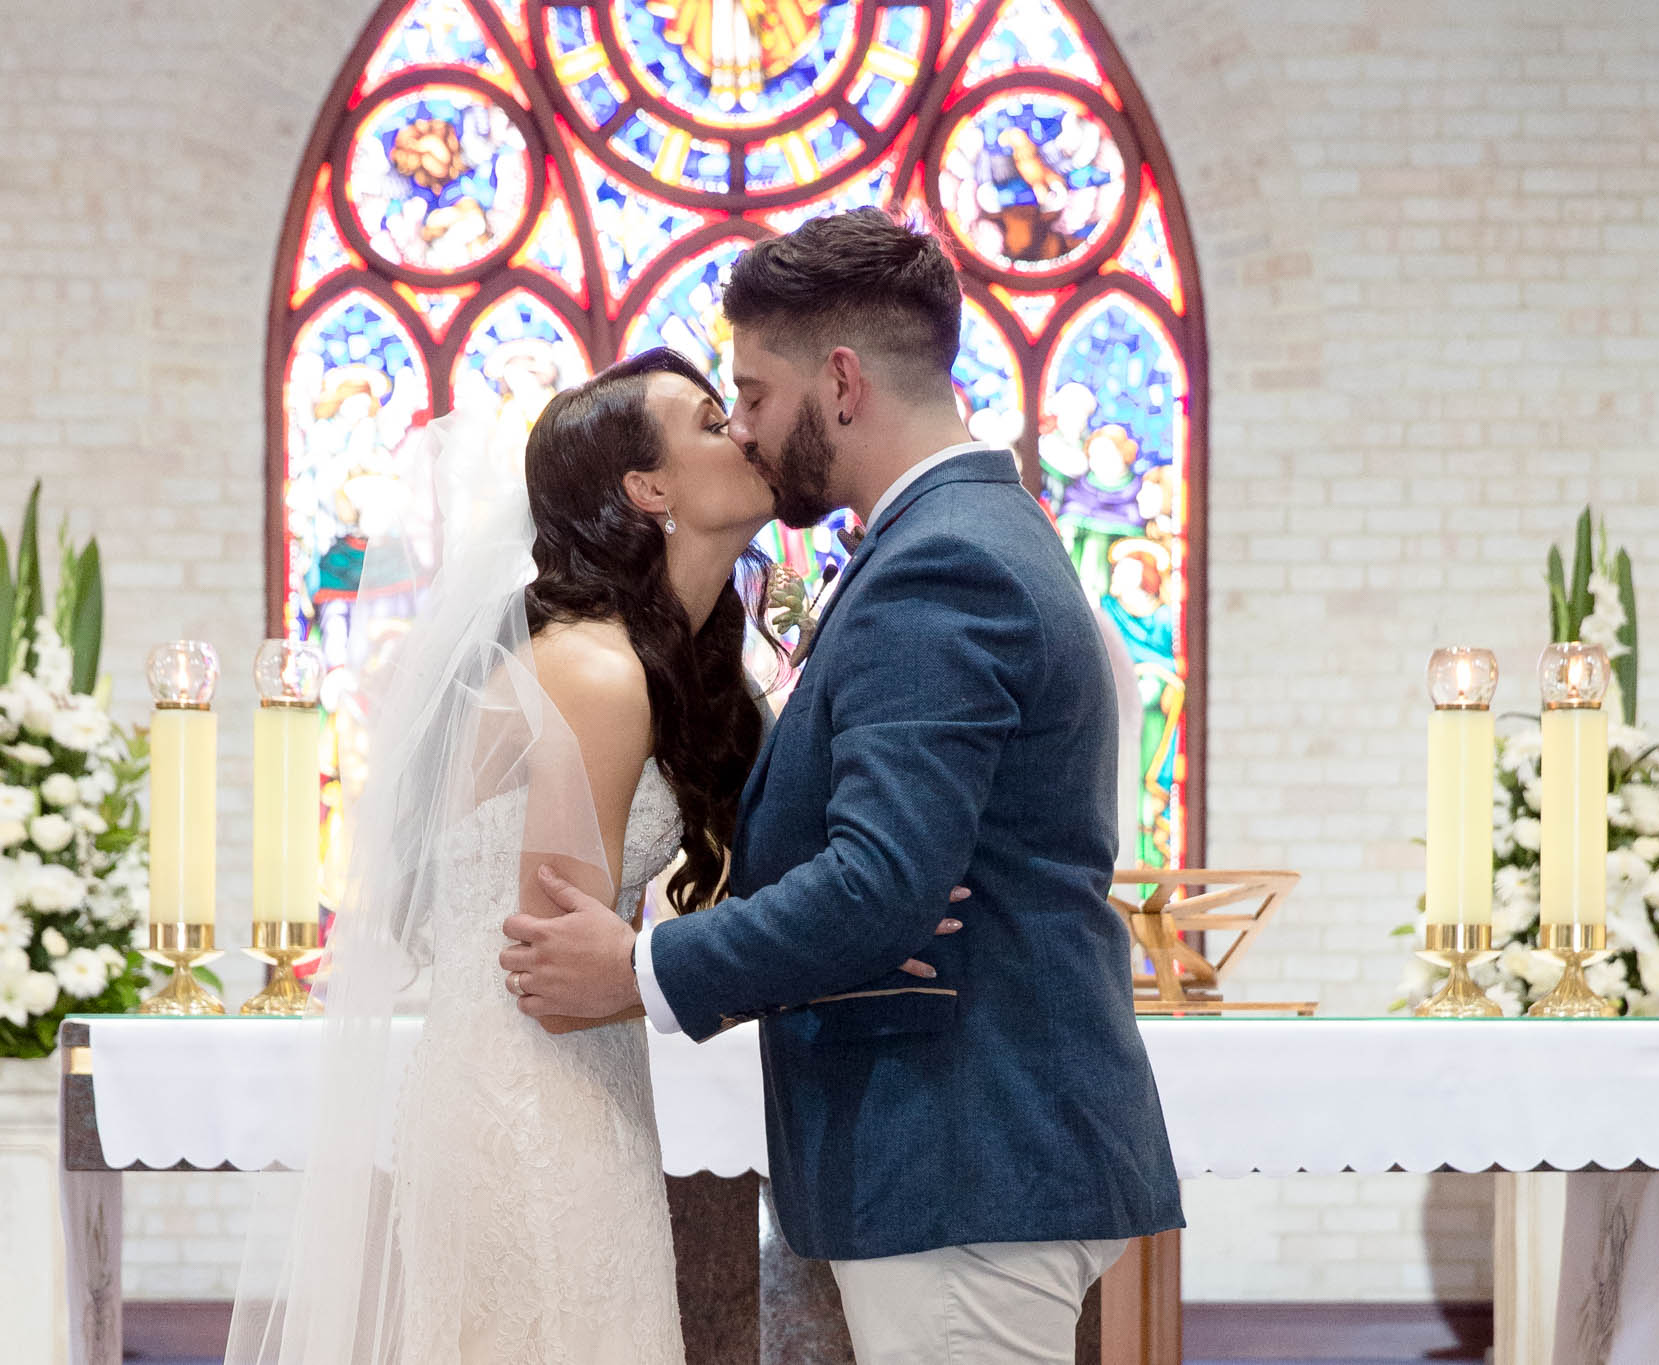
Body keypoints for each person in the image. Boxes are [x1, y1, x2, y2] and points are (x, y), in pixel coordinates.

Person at [502, 208, 1185, 1362]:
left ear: (840, 382)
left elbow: (879, 884)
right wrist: (867, 918)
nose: (745, 431)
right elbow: (888, 880)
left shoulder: (940, 562)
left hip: (961, 1156)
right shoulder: (953, 533)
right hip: (964, 1155)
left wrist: (639, 967)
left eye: (752, 396)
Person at [224, 346, 955, 1365]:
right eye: (713, 423)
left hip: (572, 1085)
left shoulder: (666, 662)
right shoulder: (594, 673)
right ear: (647, 490)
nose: (745, 431)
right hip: (530, 1101)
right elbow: (561, 980)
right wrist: (832, 965)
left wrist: (860, 905)